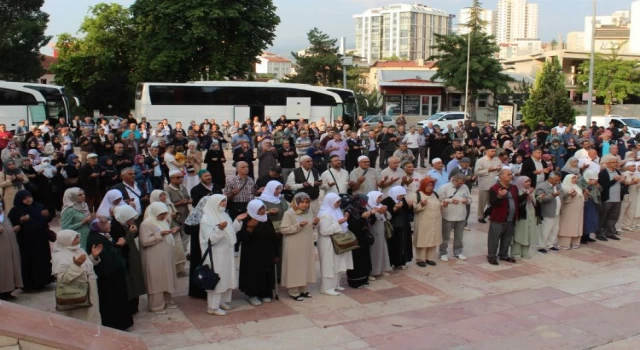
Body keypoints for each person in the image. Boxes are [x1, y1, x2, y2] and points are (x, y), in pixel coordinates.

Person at [86, 218, 134, 330]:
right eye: (106, 224)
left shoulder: (101, 236)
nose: (109, 225)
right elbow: (106, 258)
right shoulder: (96, 239)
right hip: (108, 276)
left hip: (113, 274)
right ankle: (116, 324)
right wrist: (117, 247)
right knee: (112, 301)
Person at [200, 194, 241, 316]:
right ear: (214, 203)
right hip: (216, 255)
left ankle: (222, 301)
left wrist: (237, 221)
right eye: (222, 202)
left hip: (226, 252)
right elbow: (209, 240)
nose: (224, 203)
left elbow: (231, 231)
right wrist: (220, 229)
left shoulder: (224, 215)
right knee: (217, 279)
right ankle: (212, 307)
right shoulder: (206, 220)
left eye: (225, 201)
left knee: (226, 277)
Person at [51, 229, 102, 324]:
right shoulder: (60, 256)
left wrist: (93, 257)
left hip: (89, 289)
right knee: (79, 319)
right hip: (75, 293)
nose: (78, 239)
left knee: (91, 316)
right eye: (75, 238)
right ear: (67, 240)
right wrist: (76, 266)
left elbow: (87, 266)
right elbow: (63, 278)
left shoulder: (79, 250)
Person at [139, 202, 180, 314]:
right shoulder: (146, 224)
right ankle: (156, 305)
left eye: (165, 213)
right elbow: (144, 241)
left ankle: (167, 300)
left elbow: (165, 233)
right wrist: (159, 235)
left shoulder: (163, 221)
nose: (163, 216)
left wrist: (172, 231)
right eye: (161, 214)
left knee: (166, 277)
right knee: (156, 280)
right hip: (154, 257)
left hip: (165, 256)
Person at [236, 199, 277, 305]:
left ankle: (265, 293)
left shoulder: (267, 219)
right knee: (253, 273)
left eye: (263, 208)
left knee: (266, 272)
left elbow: (273, 236)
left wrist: (276, 253)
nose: (263, 211)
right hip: (252, 254)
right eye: (260, 209)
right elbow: (241, 238)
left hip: (267, 252)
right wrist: (249, 228)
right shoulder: (247, 220)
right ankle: (252, 294)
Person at [9, 190, 52, 290]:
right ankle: (28, 284)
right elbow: (12, 224)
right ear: (20, 200)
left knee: (42, 259)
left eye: (29, 197)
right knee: (28, 261)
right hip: (25, 242)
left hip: (40, 240)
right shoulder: (15, 210)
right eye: (25, 198)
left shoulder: (39, 206)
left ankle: (43, 281)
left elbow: (45, 221)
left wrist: (47, 216)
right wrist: (21, 221)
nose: (28, 199)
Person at [279, 192, 318, 300]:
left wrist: (314, 224)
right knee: (294, 267)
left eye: (307, 202)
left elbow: (309, 226)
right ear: (296, 202)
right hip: (293, 244)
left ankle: (303, 289)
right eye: (302, 202)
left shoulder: (308, 212)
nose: (304, 205)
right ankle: (293, 291)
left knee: (305, 265)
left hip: (306, 243)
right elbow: (283, 229)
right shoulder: (289, 213)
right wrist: (298, 226)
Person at [317, 193, 353, 296]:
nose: (339, 204)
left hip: (338, 241)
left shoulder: (336, 211)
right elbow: (324, 231)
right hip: (328, 242)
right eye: (337, 202)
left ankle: (335, 285)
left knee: (338, 263)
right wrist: (338, 223)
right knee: (329, 264)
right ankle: (326, 287)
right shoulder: (324, 214)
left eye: (339, 202)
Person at [112, 205, 146, 315]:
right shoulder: (115, 226)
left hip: (131, 257)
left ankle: (134, 306)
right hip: (125, 258)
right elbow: (120, 243)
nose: (131, 221)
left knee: (135, 281)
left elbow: (131, 235)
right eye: (130, 219)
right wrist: (131, 234)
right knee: (129, 283)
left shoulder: (124, 224)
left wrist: (132, 232)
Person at [147, 190, 187, 275]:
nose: (163, 197)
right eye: (160, 196)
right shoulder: (151, 208)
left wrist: (175, 216)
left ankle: (179, 270)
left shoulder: (169, 204)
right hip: (162, 232)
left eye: (164, 195)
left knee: (177, 248)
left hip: (174, 229)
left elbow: (176, 214)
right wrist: (168, 217)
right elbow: (151, 222)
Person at [486, 168, 520, 265]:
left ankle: (503, 255)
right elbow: (493, 203)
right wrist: (499, 196)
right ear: (501, 176)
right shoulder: (494, 188)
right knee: (494, 239)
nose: (511, 176)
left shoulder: (513, 187)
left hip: (511, 218)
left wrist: (526, 194)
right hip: (498, 218)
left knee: (507, 238)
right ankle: (491, 256)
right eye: (508, 174)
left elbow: (517, 200)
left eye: (511, 174)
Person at [437, 173, 471, 262]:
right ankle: (443, 253)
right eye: (459, 183)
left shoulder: (465, 187)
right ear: (454, 180)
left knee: (459, 236)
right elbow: (439, 201)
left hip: (461, 215)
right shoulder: (444, 187)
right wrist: (450, 201)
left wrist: (467, 201)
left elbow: (470, 199)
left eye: (462, 183)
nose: (461, 185)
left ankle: (458, 252)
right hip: (448, 216)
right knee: (445, 237)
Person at [410, 177, 443, 267]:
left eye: (431, 185)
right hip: (423, 222)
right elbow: (413, 209)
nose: (430, 187)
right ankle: (420, 259)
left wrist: (443, 205)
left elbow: (439, 204)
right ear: (423, 185)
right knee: (423, 240)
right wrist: (421, 204)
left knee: (433, 239)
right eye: (428, 185)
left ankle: (429, 258)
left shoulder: (435, 194)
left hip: (435, 221)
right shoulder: (417, 194)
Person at [343, 195, 372, 289]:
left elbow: (370, 222)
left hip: (363, 238)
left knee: (364, 260)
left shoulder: (362, 209)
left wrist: (371, 214)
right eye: (364, 202)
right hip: (355, 239)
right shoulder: (349, 211)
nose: (366, 204)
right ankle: (355, 281)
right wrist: (363, 218)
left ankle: (364, 279)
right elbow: (353, 226)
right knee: (356, 260)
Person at [382, 186, 413, 269]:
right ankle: (392, 262)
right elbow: (387, 215)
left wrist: (410, 206)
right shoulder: (387, 201)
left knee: (403, 244)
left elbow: (407, 212)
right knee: (393, 245)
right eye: (400, 195)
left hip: (404, 226)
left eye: (402, 195)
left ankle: (401, 262)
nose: (401, 197)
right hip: (393, 227)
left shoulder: (402, 200)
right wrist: (395, 208)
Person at [597, 154, 624, 241]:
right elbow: (603, 186)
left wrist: (623, 181)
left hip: (617, 199)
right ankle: (600, 233)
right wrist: (614, 180)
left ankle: (610, 232)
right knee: (603, 217)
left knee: (613, 217)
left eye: (616, 162)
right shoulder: (603, 173)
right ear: (607, 164)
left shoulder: (618, 172)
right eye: (613, 162)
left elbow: (621, 184)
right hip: (607, 199)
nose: (615, 164)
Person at [365, 191, 392, 278]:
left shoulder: (380, 206)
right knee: (374, 252)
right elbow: (370, 220)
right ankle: (372, 272)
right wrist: (378, 212)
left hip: (381, 232)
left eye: (381, 197)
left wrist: (383, 212)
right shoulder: (368, 207)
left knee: (382, 251)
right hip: (374, 232)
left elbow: (389, 217)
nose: (380, 200)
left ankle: (381, 269)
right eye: (378, 198)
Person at [511, 176, 539, 260]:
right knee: (520, 233)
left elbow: (535, 203)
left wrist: (534, 197)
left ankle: (525, 252)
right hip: (522, 216)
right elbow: (517, 202)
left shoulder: (532, 191)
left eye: (529, 181)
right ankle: (516, 252)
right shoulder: (517, 191)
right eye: (526, 182)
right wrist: (526, 194)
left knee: (528, 233)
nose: (528, 183)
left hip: (531, 214)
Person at [535, 172, 563, 253]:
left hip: (557, 211)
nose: (557, 182)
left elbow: (562, 195)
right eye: (556, 180)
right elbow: (541, 200)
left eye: (558, 180)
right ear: (550, 178)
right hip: (548, 211)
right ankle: (541, 246)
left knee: (554, 229)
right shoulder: (542, 186)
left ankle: (550, 244)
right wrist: (553, 195)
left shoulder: (558, 186)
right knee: (545, 230)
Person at [165, 170, 192, 252]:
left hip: (185, 216)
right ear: (171, 179)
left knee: (186, 236)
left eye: (182, 177)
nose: (181, 179)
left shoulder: (183, 187)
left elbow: (188, 198)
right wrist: (180, 203)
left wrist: (189, 201)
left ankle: (185, 252)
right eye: (178, 177)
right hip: (175, 218)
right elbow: (167, 205)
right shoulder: (167, 190)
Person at [0, 201, 22, 301]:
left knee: (10, 269)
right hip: (2, 252)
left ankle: (8, 291)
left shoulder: (4, 217)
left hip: (10, 250)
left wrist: (13, 229)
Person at [474, 147, 502, 223]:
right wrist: (488, 170)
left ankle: (492, 214)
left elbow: (501, 170)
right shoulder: (481, 160)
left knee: (493, 201)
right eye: (492, 151)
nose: (493, 152)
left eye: (494, 151)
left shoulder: (498, 160)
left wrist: (499, 170)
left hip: (495, 184)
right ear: (486, 151)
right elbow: (476, 172)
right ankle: (480, 216)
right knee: (482, 201)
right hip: (484, 183)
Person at [557, 174, 585, 249]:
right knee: (568, 225)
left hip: (578, 210)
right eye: (573, 178)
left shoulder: (577, 187)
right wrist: (570, 195)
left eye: (576, 178)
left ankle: (575, 242)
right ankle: (564, 243)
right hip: (569, 209)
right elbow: (562, 198)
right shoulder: (564, 187)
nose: (575, 180)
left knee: (577, 224)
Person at [578, 169, 601, 244]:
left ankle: (587, 236)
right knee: (585, 219)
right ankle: (582, 237)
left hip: (593, 202)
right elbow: (581, 190)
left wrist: (597, 186)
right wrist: (589, 185)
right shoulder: (581, 180)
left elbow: (600, 190)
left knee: (591, 220)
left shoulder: (595, 181)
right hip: (586, 202)